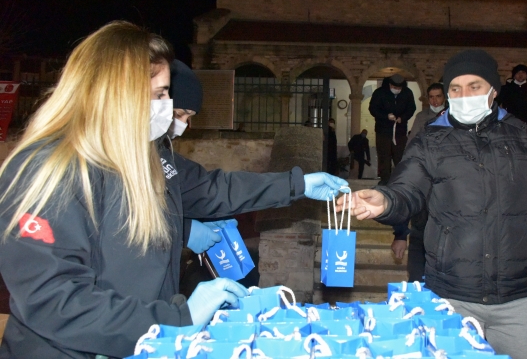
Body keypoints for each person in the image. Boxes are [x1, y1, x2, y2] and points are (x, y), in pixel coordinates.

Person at [0, 21, 348, 358]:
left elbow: (213, 189)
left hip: (144, 343)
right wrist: (178, 319)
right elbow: (54, 301)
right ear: (115, 92)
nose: (166, 107)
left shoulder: (146, 154)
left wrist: (296, 183)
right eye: (159, 94)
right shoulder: (48, 169)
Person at [341, 50, 527, 359]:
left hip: (515, 299)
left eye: (474, 86)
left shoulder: (525, 139)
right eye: (455, 88)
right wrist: (386, 199)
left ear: (494, 91)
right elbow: (408, 189)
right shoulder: (431, 140)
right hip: (451, 296)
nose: (463, 95)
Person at [391, 82, 447, 281]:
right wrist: (399, 235)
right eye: (431, 97)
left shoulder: (453, 118)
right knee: (419, 239)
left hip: (446, 194)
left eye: (438, 96)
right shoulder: (421, 118)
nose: (435, 101)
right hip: (424, 190)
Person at [369, 74, 416, 185]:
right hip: (383, 131)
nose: (397, 90)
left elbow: (411, 108)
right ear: (390, 85)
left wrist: (402, 118)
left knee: (400, 156)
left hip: (400, 131)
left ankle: (401, 180)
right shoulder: (379, 93)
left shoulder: (407, 93)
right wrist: (386, 116)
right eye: (395, 88)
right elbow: (373, 109)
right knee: (384, 156)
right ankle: (385, 180)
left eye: (399, 88)